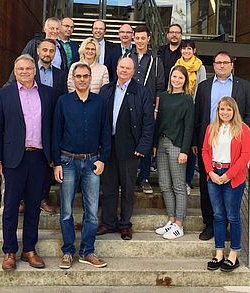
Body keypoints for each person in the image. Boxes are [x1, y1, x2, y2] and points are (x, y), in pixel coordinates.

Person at [0, 54, 53, 271]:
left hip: (39, 158)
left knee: (34, 206)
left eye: (28, 68)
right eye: (20, 69)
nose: (25, 72)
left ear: (35, 70)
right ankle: (9, 251)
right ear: (15, 72)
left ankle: (29, 250)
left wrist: (52, 158)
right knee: (10, 207)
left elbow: (50, 127)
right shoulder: (4, 94)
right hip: (14, 159)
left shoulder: (46, 93)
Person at [53, 63, 111, 269]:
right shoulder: (63, 101)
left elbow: (106, 132)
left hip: (92, 162)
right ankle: (68, 251)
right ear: (73, 78)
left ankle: (87, 251)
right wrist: (56, 163)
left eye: (86, 76)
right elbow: (55, 133)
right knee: (67, 210)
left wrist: (103, 158)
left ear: (90, 78)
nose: (82, 79)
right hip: (67, 161)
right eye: (78, 76)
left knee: (92, 211)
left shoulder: (100, 102)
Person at [193, 51, 250, 241]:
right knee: (207, 184)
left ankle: (226, 225)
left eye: (225, 62)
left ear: (231, 65)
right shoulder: (203, 87)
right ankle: (209, 224)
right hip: (209, 144)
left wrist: (242, 139)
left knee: (230, 187)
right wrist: (196, 141)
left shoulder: (243, 86)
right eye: (218, 62)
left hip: (233, 144)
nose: (221, 65)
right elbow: (198, 116)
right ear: (214, 65)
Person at [96, 57, 154, 240]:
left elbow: (148, 121)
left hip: (131, 147)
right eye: (121, 66)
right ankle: (108, 222)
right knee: (109, 186)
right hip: (108, 146)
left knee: (128, 188)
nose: (124, 70)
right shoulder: (106, 90)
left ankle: (125, 224)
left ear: (133, 71)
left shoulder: (142, 91)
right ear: (116, 68)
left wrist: (143, 146)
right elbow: (98, 118)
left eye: (128, 68)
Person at [8, 39, 67, 214]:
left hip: (51, 123)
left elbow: (62, 99)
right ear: (38, 52)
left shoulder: (61, 75)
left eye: (51, 51)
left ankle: (43, 197)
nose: (48, 53)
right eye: (45, 50)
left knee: (45, 163)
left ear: (55, 54)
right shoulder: (30, 72)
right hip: (30, 122)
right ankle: (22, 199)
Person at [202, 96, 250, 272]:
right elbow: (205, 151)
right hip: (214, 174)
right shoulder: (211, 128)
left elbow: (245, 156)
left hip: (233, 176)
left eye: (228, 109)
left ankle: (234, 255)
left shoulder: (243, 130)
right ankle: (219, 253)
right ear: (218, 111)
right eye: (222, 109)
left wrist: (229, 175)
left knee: (232, 216)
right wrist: (210, 172)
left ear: (234, 111)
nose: (225, 112)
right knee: (218, 215)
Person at [153, 65, 194, 239]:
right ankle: (171, 219)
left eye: (180, 78)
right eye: (174, 77)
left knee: (178, 185)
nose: (176, 80)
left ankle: (179, 223)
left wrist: (185, 150)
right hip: (161, 143)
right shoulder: (163, 96)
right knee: (164, 183)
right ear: (170, 77)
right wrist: (155, 144)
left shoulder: (187, 100)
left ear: (185, 81)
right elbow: (158, 121)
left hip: (177, 145)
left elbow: (189, 126)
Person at [126, 25, 165, 194]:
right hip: (129, 104)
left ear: (149, 39)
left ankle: (144, 178)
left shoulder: (156, 60)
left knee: (146, 142)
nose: (140, 41)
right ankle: (129, 177)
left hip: (148, 106)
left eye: (143, 38)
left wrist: (156, 108)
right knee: (128, 140)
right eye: (137, 38)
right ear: (133, 38)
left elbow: (159, 86)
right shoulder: (127, 56)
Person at [175, 39, 207, 196]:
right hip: (178, 108)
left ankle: (187, 180)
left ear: (194, 50)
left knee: (190, 144)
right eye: (184, 49)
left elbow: (201, 89)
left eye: (189, 49)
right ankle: (178, 181)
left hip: (193, 107)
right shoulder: (177, 65)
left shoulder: (199, 67)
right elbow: (171, 84)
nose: (186, 51)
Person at [158, 24, 183, 90]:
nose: (174, 35)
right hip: (162, 90)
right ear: (167, 35)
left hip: (179, 91)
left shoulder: (185, 53)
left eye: (177, 32)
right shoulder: (160, 51)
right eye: (171, 32)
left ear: (181, 36)